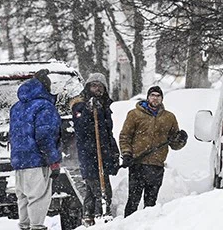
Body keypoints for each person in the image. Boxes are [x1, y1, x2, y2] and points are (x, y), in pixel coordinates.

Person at [118, 86, 187, 217]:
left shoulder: (169, 118)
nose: (155, 98)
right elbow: (125, 136)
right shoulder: (134, 114)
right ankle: (126, 225)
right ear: (148, 97)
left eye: (158, 96)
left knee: (151, 204)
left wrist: (181, 140)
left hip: (156, 166)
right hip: (137, 164)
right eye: (152, 95)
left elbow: (174, 144)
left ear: (162, 99)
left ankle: (147, 226)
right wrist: (126, 153)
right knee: (133, 200)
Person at [9, 69, 62, 230]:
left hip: (20, 161)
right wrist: (53, 160)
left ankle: (24, 226)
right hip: (37, 160)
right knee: (38, 197)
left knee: (24, 197)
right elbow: (45, 136)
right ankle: (37, 227)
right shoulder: (44, 107)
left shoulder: (17, 107)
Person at [70, 73, 119, 224]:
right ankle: (101, 217)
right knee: (102, 191)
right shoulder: (80, 106)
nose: (96, 89)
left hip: (103, 154)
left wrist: (114, 152)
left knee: (92, 191)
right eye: (93, 85)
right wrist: (88, 111)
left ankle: (88, 218)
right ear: (88, 87)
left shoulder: (104, 107)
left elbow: (107, 133)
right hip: (89, 155)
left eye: (100, 86)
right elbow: (81, 128)